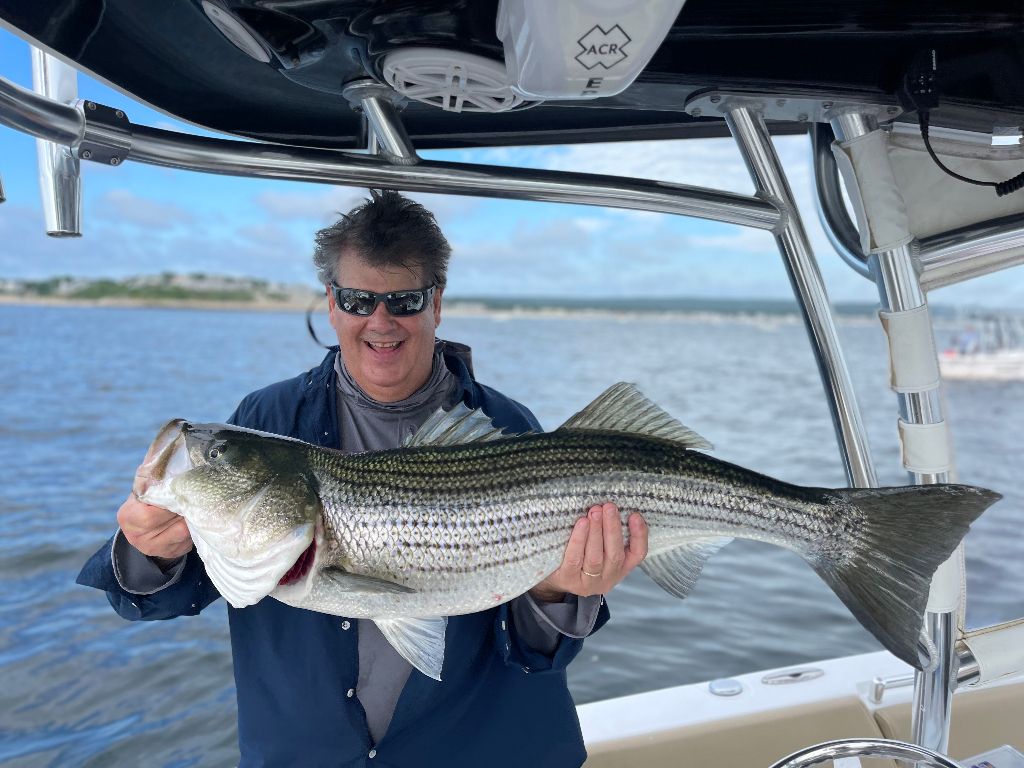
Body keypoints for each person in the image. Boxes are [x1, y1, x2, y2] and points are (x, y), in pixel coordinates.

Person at [78, 189, 649, 768]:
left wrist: (556, 593)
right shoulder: (267, 421)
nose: (381, 322)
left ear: (437, 303)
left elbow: (537, 649)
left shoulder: (505, 428)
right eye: (357, 299)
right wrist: (150, 553)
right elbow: (158, 597)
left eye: (404, 300)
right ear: (331, 304)